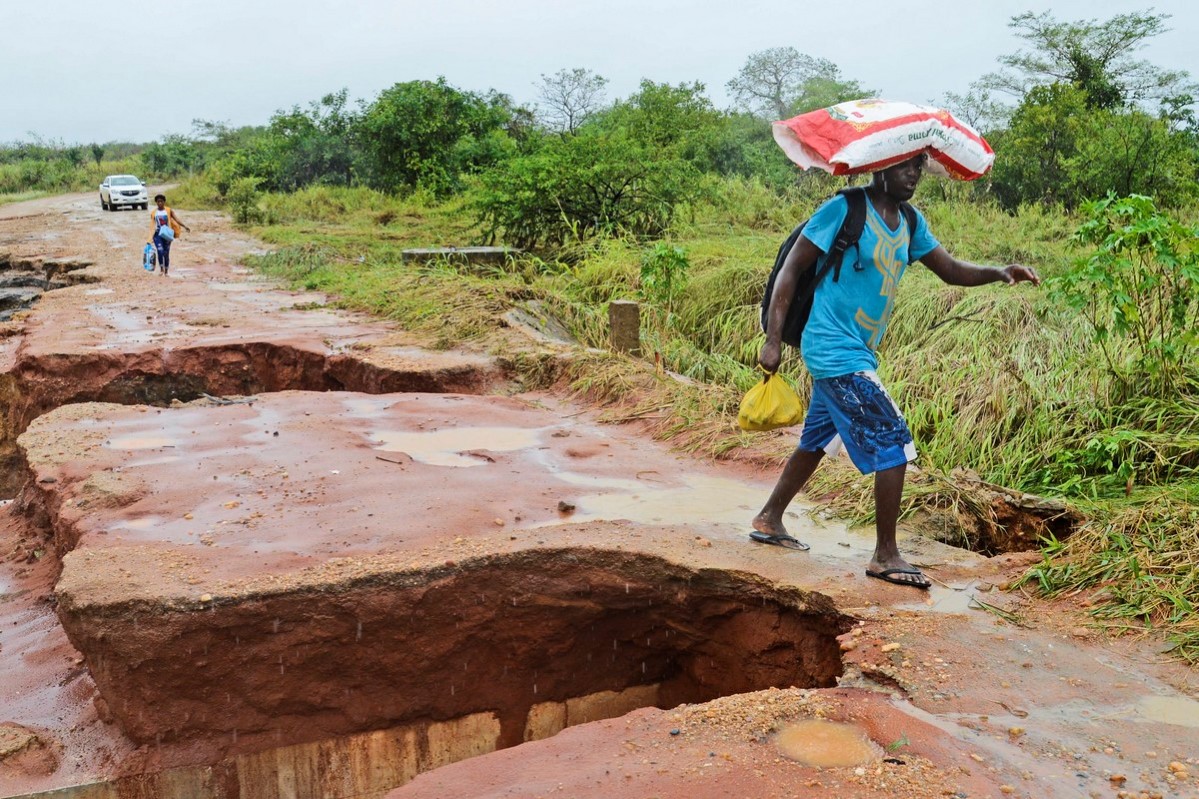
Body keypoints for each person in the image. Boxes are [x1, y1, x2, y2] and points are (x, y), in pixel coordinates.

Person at [754, 153, 1040, 589]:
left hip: (857, 352)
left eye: (919, 167)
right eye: (905, 166)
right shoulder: (844, 210)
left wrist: (998, 272)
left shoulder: (909, 221)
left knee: (816, 441)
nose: (913, 175)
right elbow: (790, 271)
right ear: (880, 166)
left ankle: (770, 517)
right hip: (833, 349)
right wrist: (773, 339)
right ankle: (885, 554)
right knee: (893, 439)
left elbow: (950, 270)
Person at [149, 194, 190, 276]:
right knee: (160, 251)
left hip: (167, 234)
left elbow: (176, 219)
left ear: (164, 202)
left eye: (161, 201)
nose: (160, 203)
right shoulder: (154, 213)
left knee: (166, 253)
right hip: (157, 234)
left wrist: (184, 226)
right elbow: (152, 226)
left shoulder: (168, 210)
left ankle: (166, 271)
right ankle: (161, 269)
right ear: (156, 203)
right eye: (158, 202)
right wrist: (149, 239)